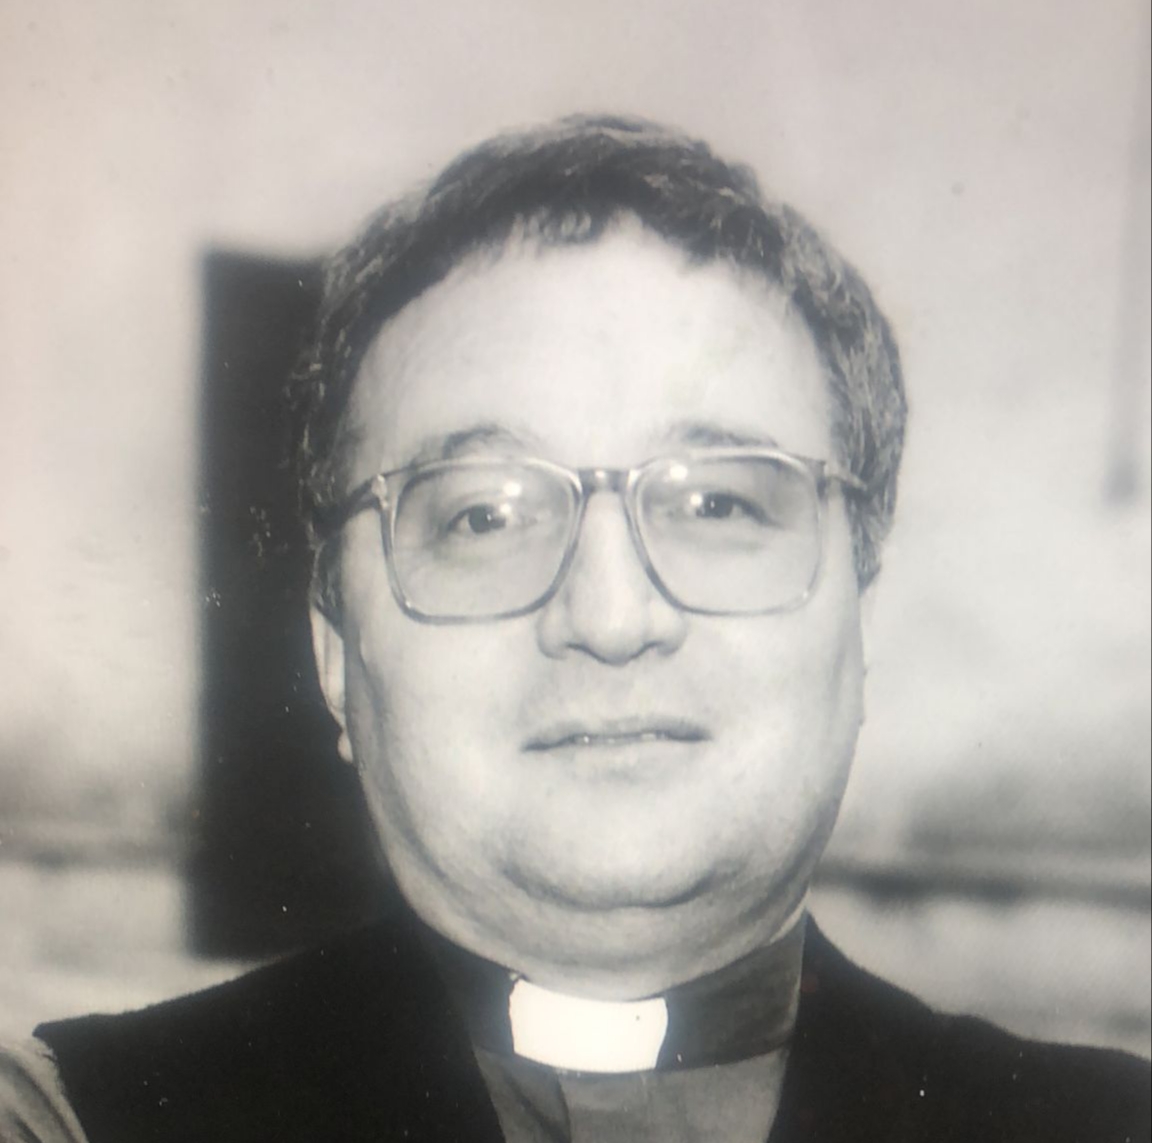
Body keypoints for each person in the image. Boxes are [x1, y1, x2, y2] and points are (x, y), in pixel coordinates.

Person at [1, 114, 1147, 1143]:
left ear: (861, 617)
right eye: (485, 515)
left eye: (718, 504)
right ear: (337, 655)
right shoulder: (76, 1119)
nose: (610, 615)